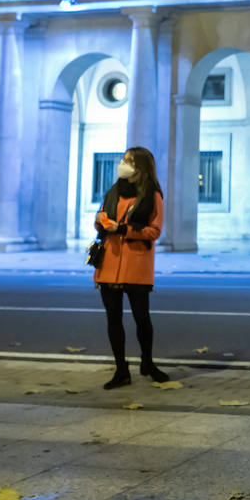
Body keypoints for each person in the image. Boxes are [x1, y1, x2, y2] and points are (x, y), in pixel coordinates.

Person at [93, 146, 168, 390]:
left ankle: (147, 363)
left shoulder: (152, 194)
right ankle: (121, 370)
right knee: (113, 319)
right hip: (109, 263)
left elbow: (155, 231)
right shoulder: (114, 190)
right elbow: (100, 216)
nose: (124, 164)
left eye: (130, 161)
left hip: (136, 264)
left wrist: (124, 229)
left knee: (141, 318)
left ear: (142, 167)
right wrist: (102, 222)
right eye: (124, 160)